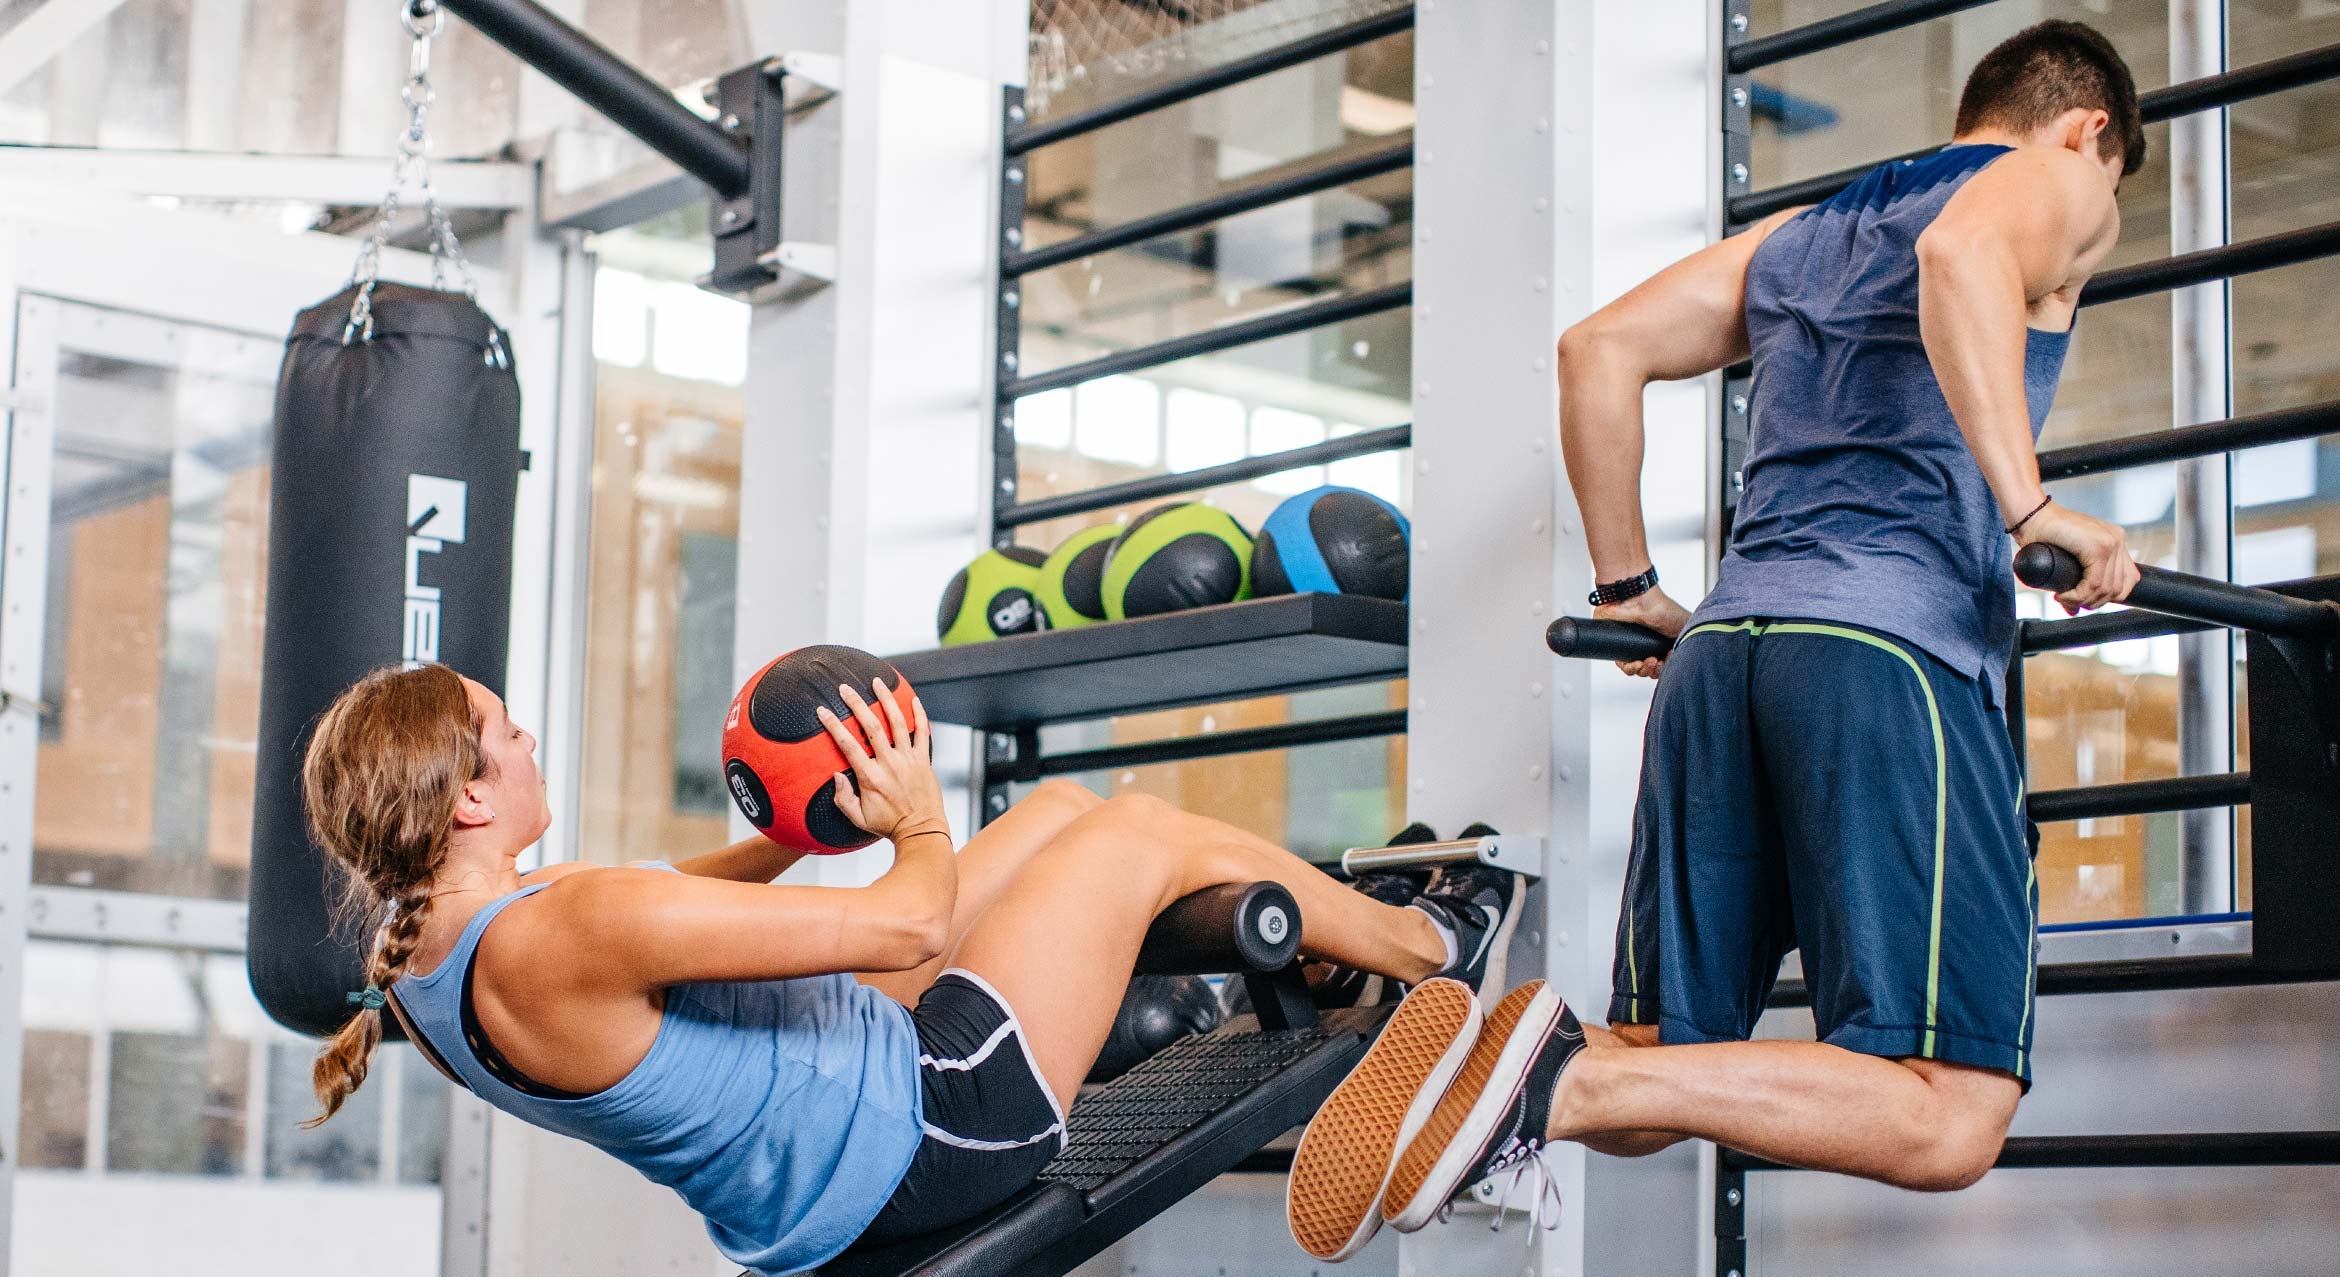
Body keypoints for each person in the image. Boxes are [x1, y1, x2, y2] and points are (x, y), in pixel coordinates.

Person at [1287, 19, 2148, 1247]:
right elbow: (1963, 250)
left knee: (1652, 1071)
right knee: (1951, 1114)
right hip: (1885, 656)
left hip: (1726, 653)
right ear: (2088, 126)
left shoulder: (1809, 236)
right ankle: (1549, 1079)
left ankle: (1498, 1059)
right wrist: (2032, 505)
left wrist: (1629, 584)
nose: (2088, 223)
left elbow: (1600, 349)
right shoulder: (2061, 177)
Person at [299, 660, 1522, 1275]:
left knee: (1053, 812)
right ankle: (1436, 941)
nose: (525, 737)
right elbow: (908, 933)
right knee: (1139, 831)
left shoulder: (425, 958)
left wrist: (791, 824)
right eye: (506, 732)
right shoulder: (557, 929)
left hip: (833, 1157)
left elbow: (671, 916)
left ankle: (1336, 930)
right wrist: (916, 818)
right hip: (932, 1128)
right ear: (468, 796)